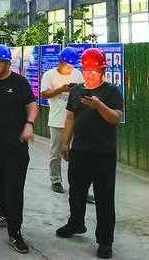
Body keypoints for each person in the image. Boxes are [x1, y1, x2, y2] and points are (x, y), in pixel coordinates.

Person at [57, 48, 124, 259]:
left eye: (95, 70)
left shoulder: (112, 91)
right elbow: (69, 118)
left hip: (104, 153)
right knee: (76, 192)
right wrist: (65, 143)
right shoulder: (77, 91)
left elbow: (116, 118)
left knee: (104, 198)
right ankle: (76, 223)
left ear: (103, 70)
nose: (90, 74)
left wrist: (99, 106)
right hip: (80, 151)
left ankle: (105, 241)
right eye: (86, 69)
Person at [0, 44, 38, 254]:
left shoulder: (19, 83)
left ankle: (15, 232)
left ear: (7, 63)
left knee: (13, 189)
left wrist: (29, 125)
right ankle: (1, 213)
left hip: (16, 147)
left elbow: (32, 105)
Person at [40, 47, 83, 194]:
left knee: (77, 153)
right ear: (60, 62)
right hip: (57, 120)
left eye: (72, 65)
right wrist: (61, 89)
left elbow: (84, 91)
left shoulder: (78, 74)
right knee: (56, 153)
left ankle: (78, 183)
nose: (69, 68)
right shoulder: (49, 75)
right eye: (66, 65)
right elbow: (44, 94)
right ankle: (56, 180)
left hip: (76, 121)